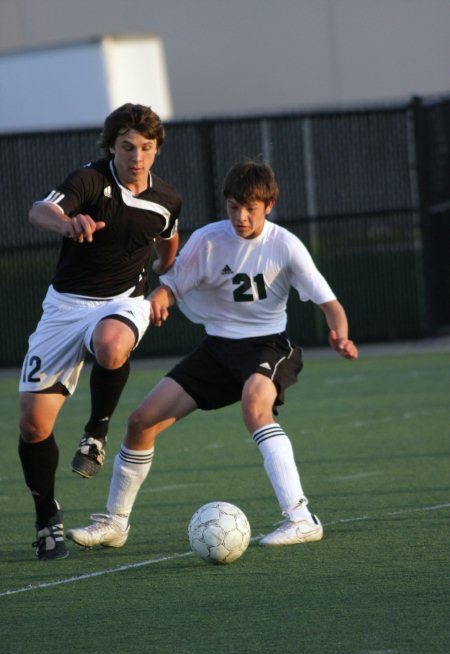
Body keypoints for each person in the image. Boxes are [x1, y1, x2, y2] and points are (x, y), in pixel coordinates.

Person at [67, 159, 358, 551]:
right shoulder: (209, 239)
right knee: (140, 422)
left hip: (268, 345)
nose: (240, 216)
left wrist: (339, 333)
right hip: (218, 350)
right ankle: (116, 523)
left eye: (250, 209)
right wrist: (158, 299)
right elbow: (172, 285)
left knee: (256, 408)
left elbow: (331, 304)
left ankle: (301, 517)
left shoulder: (285, 245)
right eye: (233, 207)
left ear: (269, 205)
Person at [19, 103, 181, 560]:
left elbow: (170, 242)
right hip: (65, 307)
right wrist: (67, 222)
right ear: (112, 146)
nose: (137, 157)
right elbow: (39, 211)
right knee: (33, 425)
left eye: (146, 148)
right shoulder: (90, 181)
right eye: (128, 147)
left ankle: (96, 431)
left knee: (112, 346)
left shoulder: (166, 200)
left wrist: (165, 286)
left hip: (123, 302)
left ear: (156, 150)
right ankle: (46, 515)